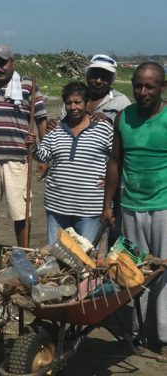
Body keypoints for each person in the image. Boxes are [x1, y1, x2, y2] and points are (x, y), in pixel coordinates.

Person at [102, 62, 166, 360]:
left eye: (150, 86)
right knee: (136, 271)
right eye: (137, 85)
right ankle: (140, 330)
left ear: (161, 88)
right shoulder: (124, 117)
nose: (142, 92)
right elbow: (115, 162)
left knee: (164, 272)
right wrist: (108, 204)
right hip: (130, 208)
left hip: (163, 207)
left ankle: (163, 336)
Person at [0, 45, 47, 263]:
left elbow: (40, 120)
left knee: (20, 209)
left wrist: (43, 156)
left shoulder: (28, 87)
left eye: (3, 62)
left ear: (12, 62)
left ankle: (23, 253)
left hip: (18, 158)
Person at [31, 82, 112, 245]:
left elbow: (117, 159)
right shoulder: (55, 129)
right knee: (56, 256)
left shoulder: (103, 128)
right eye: (69, 103)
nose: (73, 107)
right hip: (57, 206)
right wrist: (33, 147)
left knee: (86, 259)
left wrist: (110, 180)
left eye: (78, 102)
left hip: (90, 208)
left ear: (87, 103)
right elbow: (44, 156)